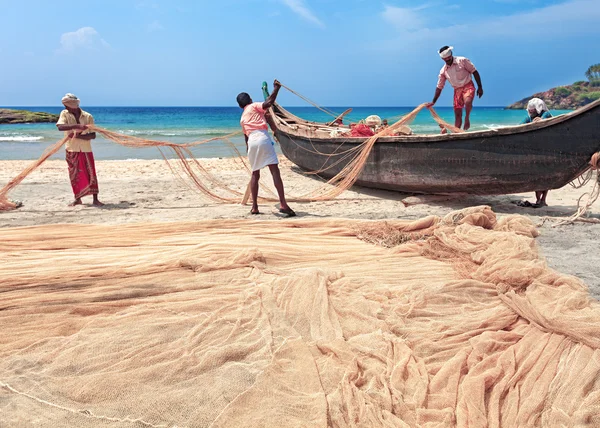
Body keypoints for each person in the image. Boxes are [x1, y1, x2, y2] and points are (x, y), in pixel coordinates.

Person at [237, 80, 295, 217]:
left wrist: (249, 151)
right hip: (262, 138)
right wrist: (276, 89)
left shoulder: (242, 118)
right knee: (274, 171)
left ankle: (255, 207)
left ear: (240, 106)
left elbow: (246, 138)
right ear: (250, 100)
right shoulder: (254, 106)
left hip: (252, 142)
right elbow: (268, 103)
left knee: (255, 174)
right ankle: (283, 204)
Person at [56, 93, 103, 207]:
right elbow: (60, 127)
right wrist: (77, 127)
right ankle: (78, 199)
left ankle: (95, 199)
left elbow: (92, 135)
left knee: (90, 173)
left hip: (86, 150)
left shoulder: (87, 116)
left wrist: (78, 136)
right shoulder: (64, 114)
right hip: (71, 149)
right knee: (74, 174)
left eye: (67, 105)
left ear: (73, 105)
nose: (65, 107)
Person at [426, 46, 483, 131]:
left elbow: (474, 71)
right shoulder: (443, 71)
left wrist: (480, 87)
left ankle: (467, 118)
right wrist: (433, 101)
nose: (448, 59)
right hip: (457, 90)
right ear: (443, 59)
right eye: (445, 58)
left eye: (449, 57)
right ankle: (457, 132)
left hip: (468, 85)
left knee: (468, 101)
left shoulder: (462, 61)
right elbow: (439, 87)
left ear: (451, 54)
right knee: (457, 113)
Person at [522, 98, 553, 207]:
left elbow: (543, 121)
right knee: (536, 177)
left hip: (547, 151)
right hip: (535, 152)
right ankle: (538, 200)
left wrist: (539, 121)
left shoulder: (546, 114)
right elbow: (520, 126)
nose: (530, 112)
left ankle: (543, 200)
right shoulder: (529, 118)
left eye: (533, 110)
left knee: (546, 177)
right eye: (530, 110)